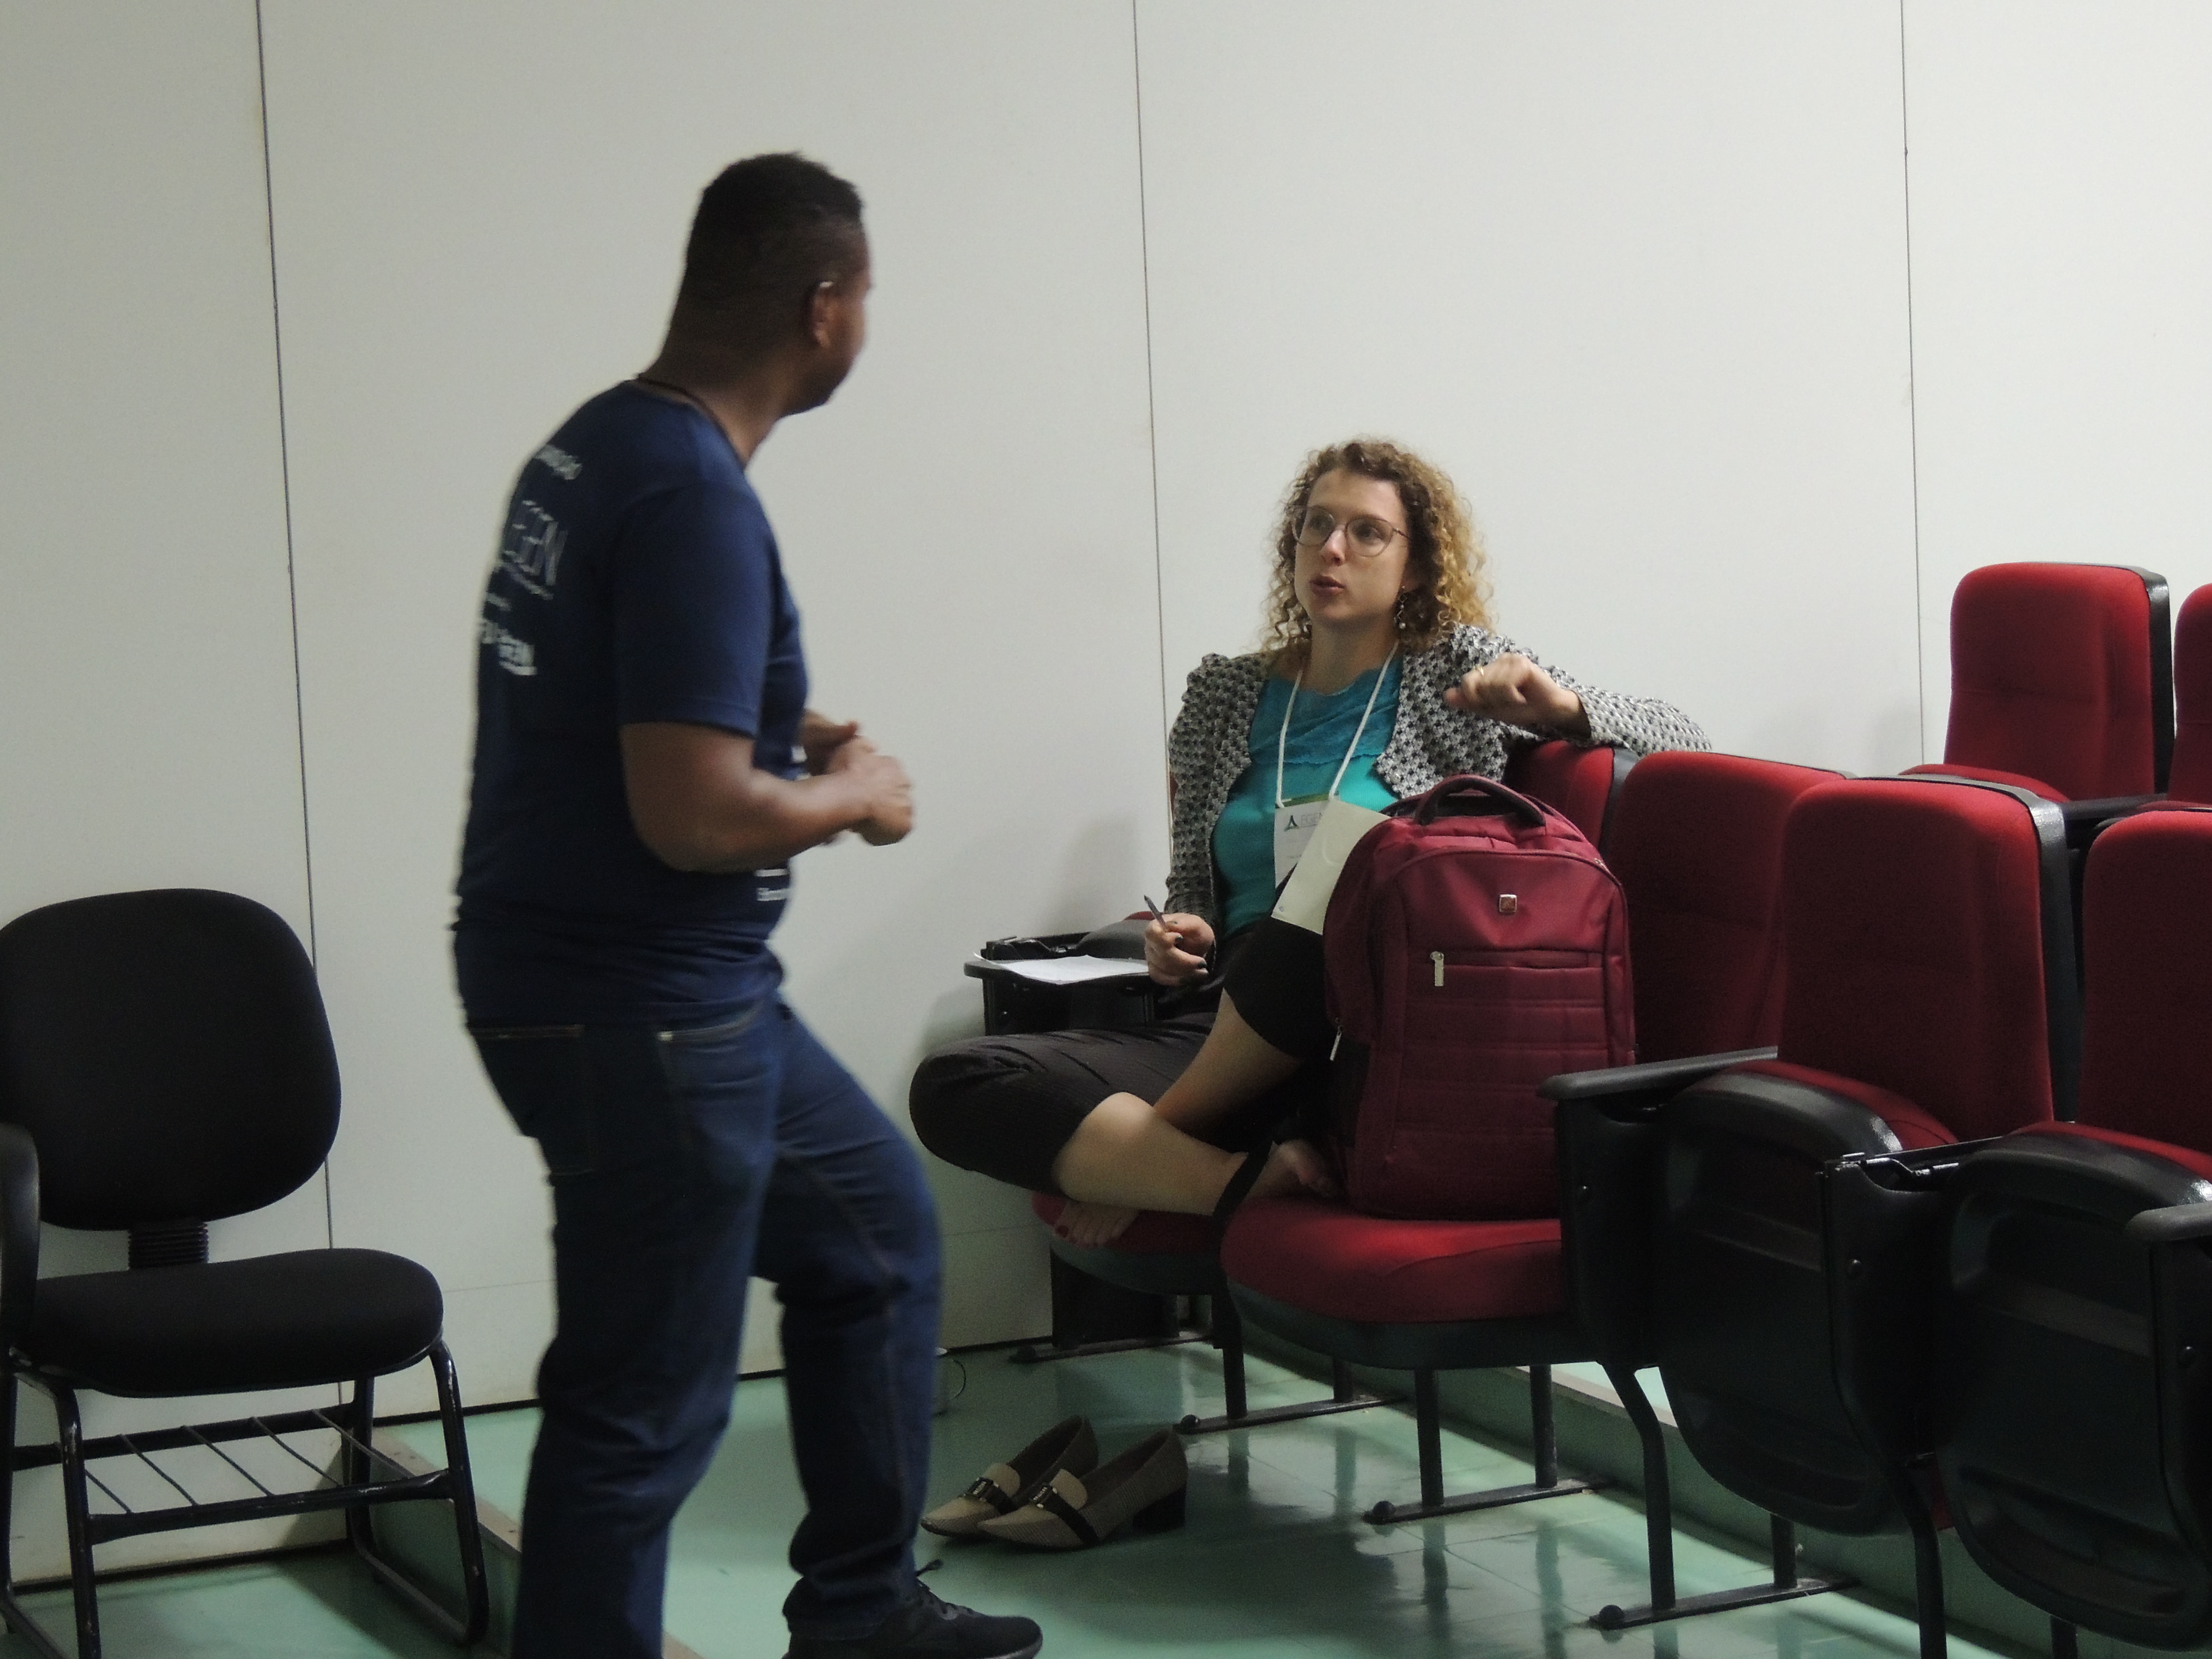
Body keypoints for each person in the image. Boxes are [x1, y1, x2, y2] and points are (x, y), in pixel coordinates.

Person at [455, 155, 1041, 1659]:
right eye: (869, 297)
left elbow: (628, 700)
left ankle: (861, 1615)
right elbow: (694, 814)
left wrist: (783, 728)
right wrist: (859, 796)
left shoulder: (594, 448)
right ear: (825, 307)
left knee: (877, 1243)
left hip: (648, 994)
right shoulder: (692, 498)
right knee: (643, 1405)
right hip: (644, 1013)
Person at [911, 438, 1707, 1246]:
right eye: (1317, 525)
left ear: (1416, 567)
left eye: (1367, 533)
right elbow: (1194, 887)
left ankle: (1158, 1149)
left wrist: (1559, 707)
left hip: (1373, 1019)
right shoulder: (1225, 694)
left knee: (1350, 861)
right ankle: (1235, 1179)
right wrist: (1184, 932)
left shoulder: (1455, 671)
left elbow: (1681, 737)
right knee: (957, 1080)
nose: (1332, 548)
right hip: (1225, 1014)